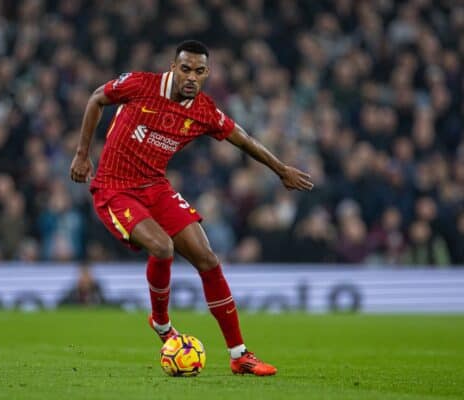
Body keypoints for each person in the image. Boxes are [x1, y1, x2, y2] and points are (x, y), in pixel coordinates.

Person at [70, 40, 314, 376]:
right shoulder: (141, 84)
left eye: (199, 71)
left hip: (155, 186)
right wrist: (83, 154)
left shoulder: (203, 110)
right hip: (114, 187)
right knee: (162, 246)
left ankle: (239, 354)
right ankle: (161, 323)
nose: (192, 77)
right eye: (185, 69)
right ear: (173, 67)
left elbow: (241, 137)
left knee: (207, 258)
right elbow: (97, 98)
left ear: (207, 73)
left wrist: (281, 169)